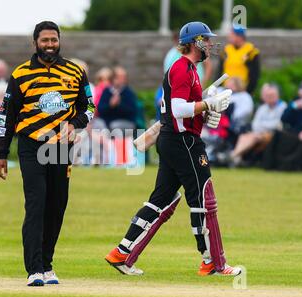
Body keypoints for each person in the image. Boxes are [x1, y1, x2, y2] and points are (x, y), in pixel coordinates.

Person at [105, 21, 241, 277]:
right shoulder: (182, 69)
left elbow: (185, 108)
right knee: (203, 198)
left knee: (162, 200)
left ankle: (122, 252)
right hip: (183, 142)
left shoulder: (190, 69)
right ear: (195, 42)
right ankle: (213, 261)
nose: (210, 45)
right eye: (207, 40)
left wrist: (204, 106)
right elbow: (179, 110)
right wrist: (208, 105)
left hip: (175, 139)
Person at [0, 21, 95, 286]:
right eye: (45, 40)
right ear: (35, 42)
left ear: (59, 41)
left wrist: (75, 124)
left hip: (61, 148)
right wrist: (0, 153)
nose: (50, 44)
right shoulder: (21, 74)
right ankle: (34, 269)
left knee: (57, 206)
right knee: (36, 205)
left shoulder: (75, 71)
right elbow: (6, 115)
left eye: (54, 40)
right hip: (31, 145)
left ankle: (48, 266)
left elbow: (89, 107)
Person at [230, 83, 286, 166]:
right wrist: (263, 127)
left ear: (277, 95)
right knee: (243, 136)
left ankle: (233, 155)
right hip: (258, 133)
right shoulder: (263, 108)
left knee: (254, 136)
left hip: (273, 134)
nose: (270, 97)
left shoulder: (283, 106)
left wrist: (262, 126)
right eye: (268, 95)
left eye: (272, 95)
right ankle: (236, 157)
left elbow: (277, 124)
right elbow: (255, 124)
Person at [218, 25, 260, 94]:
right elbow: (219, 71)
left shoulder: (251, 51)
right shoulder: (226, 50)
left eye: (232, 34)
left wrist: (249, 91)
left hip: (242, 90)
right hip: (225, 90)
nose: (229, 36)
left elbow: (254, 75)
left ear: (239, 36)